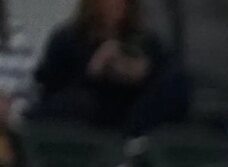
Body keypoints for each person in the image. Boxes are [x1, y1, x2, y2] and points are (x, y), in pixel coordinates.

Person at [31, 0, 189, 136]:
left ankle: (131, 140)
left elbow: (169, 76)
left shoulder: (145, 40)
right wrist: (94, 70)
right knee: (79, 103)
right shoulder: (68, 38)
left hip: (131, 110)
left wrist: (144, 72)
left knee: (177, 84)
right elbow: (50, 90)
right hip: (89, 109)